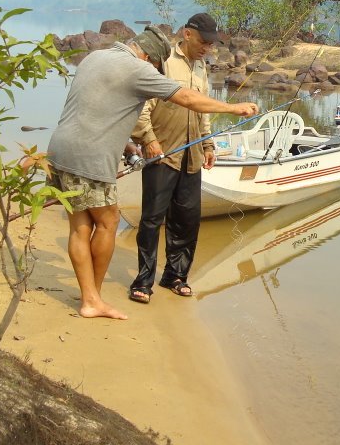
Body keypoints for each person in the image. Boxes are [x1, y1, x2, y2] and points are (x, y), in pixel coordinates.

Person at [45, 25, 257, 319]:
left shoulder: (95, 57)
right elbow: (186, 98)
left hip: (59, 150)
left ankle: (89, 297)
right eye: (157, 66)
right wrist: (233, 109)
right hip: (90, 159)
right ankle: (93, 299)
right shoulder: (138, 69)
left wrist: (130, 146)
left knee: (80, 227)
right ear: (149, 59)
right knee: (108, 222)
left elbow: (98, 108)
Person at [127, 13, 221, 304]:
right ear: (187, 34)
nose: (207, 48)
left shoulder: (202, 67)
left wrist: (208, 145)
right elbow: (143, 104)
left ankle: (175, 276)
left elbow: (202, 110)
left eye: (211, 44)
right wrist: (149, 140)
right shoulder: (164, 61)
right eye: (204, 42)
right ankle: (143, 281)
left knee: (187, 220)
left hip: (191, 154)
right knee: (152, 219)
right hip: (162, 152)